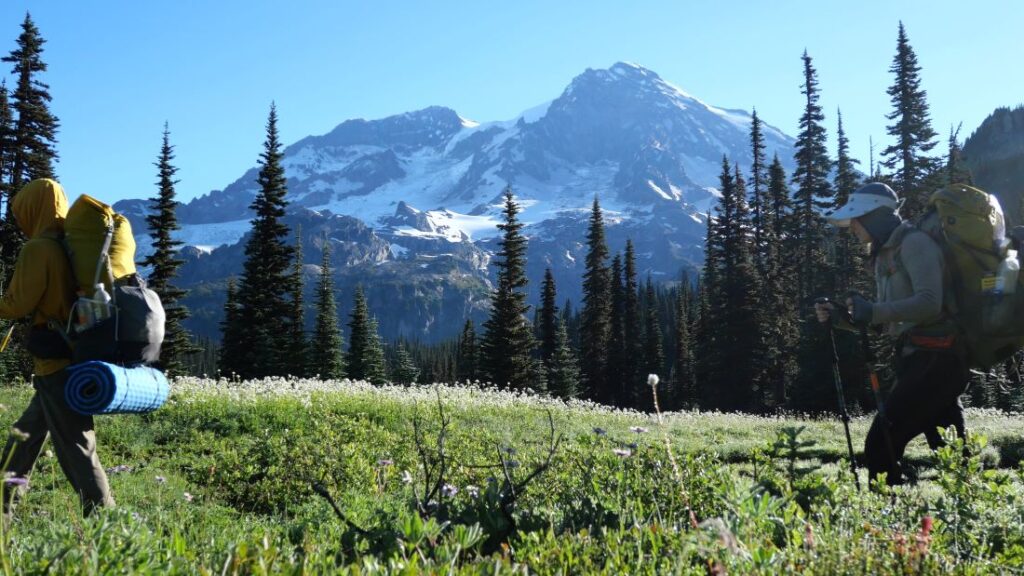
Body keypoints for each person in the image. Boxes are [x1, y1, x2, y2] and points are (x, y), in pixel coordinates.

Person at [816, 182, 969, 486]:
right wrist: (842, 319)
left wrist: (871, 310)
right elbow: (888, 320)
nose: (853, 229)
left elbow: (929, 303)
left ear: (874, 216)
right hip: (921, 359)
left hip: (938, 360)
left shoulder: (914, 244)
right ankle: (971, 523)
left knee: (880, 444)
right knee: (951, 453)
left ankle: (890, 524)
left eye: (856, 220)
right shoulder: (885, 254)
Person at [1, 179, 113, 519]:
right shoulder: (66, 245)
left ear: (34, 208)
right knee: (25, 437)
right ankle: (5, 506)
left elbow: (17, 304)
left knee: (76, 447)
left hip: (56, 364)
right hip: (69, 355)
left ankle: (103, 518)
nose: (20, 218)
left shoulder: (39, 248)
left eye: (22, 210)